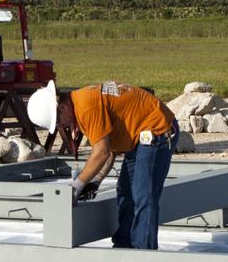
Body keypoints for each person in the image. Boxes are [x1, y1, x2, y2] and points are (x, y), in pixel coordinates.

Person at [27, 80, 176, 250]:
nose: (62, 125)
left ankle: (144, 253)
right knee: (126, 192)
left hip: (158, 129)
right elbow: (109, 148)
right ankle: (124, 246)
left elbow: (101, 152)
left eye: (59, 121)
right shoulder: (81, 103)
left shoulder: (86, 107)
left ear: (62, 108)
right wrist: (96, 180)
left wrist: (77, 186)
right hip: (139, 136)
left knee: (143, 194)